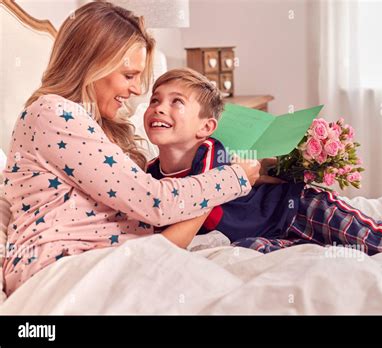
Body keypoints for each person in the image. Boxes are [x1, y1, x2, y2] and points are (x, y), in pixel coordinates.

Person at [1, 2, 263, 296]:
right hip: (65, 269)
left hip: (105, 260)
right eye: (129, 75)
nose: (138, 90)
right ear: (91, 65)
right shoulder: (53, 113)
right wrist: (235, 177)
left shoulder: (88, 124)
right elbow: (154, 202)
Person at [143, 68, 382, 256]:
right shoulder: (152, 174)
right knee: (254, 252)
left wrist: (296, 167)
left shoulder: (210, 153)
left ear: (206, 128)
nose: (159, 107)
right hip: (267, 232)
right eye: (155, 100)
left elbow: (212, 197)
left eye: (176, 102)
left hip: (298, 207)